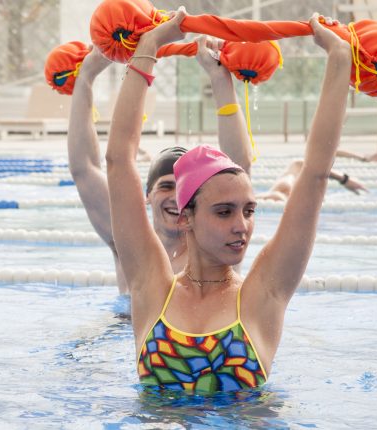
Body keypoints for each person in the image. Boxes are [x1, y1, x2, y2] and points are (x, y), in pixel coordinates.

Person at [105, 8, 352, 392]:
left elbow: (315, 174)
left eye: (249, 210)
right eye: (224, 212)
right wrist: (148, 45)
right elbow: (118, 161)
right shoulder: (151, 284)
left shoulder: (263, 291)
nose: (242, 226)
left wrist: (339, 60)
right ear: (185, 217)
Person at [66, 36, 251, 295]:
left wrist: (221, 82)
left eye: (184, 189)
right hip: (124, 330)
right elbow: (84, 168)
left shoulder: (213, 246)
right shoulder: (129, 242)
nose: (176, 197)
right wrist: (85, 77)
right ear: (147, 197)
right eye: (166, 186)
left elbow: (239, 169)